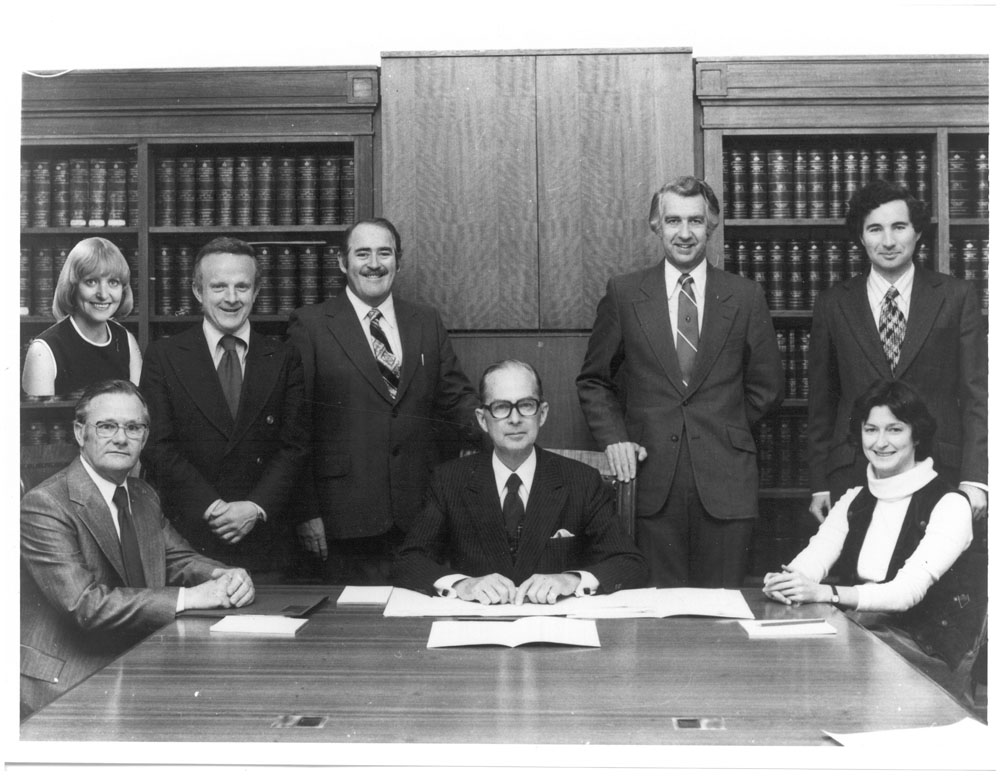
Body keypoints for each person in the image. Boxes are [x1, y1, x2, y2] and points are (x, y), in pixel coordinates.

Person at [577, 176, 784, 588]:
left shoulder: (744, 296)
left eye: (695, 221)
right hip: (651, 482)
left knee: (723, 615)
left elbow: (768, 386)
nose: (685, 233)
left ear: (712, 225)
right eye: (673, 221)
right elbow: (593, 380)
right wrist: (616, 438)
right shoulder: (624, 293)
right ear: (656, 225)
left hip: (727, 484)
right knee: (656, 616)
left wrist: (723, 427)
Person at [20, 379, 254, 717]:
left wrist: (225, 575)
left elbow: (176, 557)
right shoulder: (45, 504)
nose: (120, 437)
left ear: (144, 437)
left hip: (133, 656)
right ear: (79, 432)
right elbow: (85, 606)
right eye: (106, 426)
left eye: (133, 427)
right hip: (66, 676)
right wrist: (193, 597)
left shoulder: (142, 494)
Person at [288, 217, 480, 584]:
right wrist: (305, 511)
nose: (374, 263)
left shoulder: (425, 321)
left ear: (397, 261)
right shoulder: (310, 325)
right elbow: (296, 426)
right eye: (362, 253)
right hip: (343, 519)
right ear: (343, 263)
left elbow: (456, 397)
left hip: (420, 513)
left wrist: (501, 426)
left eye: (384, 253)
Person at [764, 380, 982, 701]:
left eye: (894, 430)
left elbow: (906, 593)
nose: (880, 442)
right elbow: (812, 561)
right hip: (865, 632)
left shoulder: (950, 505)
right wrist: (787, 582)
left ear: (916, 435)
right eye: (871, 430)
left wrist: (827, 592)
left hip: (927, 647)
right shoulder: (854, 499)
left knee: (808, 676)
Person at [807, 179, 987, 524]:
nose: (888, 241)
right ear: (861, 237)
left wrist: (976, 477)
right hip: (854, 473)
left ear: (917, 232)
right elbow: (821, 404)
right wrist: (819, 483)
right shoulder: (833, 304)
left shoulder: (956, 296)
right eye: (875, 229)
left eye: (899, 227)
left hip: (942, 470)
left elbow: (978, 395)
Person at [393, 360, 647, 603]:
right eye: (501, 407)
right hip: (474, 630)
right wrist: (462, 584)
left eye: (526, 405)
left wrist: (570, 580)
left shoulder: (582, 480)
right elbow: (409, 560)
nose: (515, 419)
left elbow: (629, 563)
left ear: (542, 413)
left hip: (555, 631)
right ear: (482, 419)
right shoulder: (450, 480)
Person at [139, 237, 308, 577]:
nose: (232, 298)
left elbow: (296, 446)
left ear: (256, 292)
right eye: (219, 286)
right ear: (198, 291)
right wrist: (213, 507)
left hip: (266, 539)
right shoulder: (164, 356)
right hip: (192, 540)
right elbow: (156, 447)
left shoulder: (284, 357)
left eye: (242, 286)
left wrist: (254, 507)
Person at [22, 237, 142, 397]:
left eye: (113, 282)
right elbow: (41, 416)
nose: (103, 294)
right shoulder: (43, 351)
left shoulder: (127, 340)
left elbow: (137, 412)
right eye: (91, 281)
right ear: (72, 287)